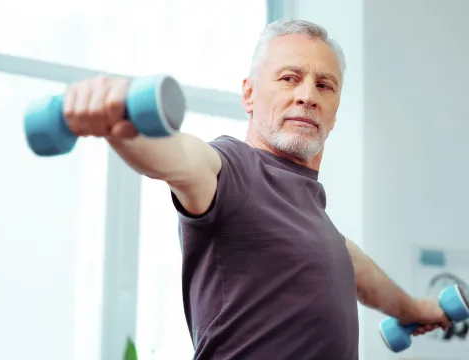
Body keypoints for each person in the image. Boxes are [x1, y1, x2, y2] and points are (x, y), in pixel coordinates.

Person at [62, 19, 451, 360]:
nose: (307, 96)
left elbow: (356, 269)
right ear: (248, 94)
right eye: (289, 78)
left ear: (335, 111)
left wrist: (415, 308)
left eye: (325, 85)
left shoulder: (315, 218)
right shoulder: (233, 170)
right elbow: (180, 158)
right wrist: (119, 123)